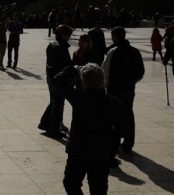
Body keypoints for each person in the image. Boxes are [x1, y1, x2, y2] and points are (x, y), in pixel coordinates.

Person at [59, 64, 122, 194]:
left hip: (78, 152)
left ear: (84, 81)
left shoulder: (79, 98)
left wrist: (73, 68)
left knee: (71, 183)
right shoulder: (112, 102)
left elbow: (58, 80)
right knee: (98, 190)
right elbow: (123, 129)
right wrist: (111, 147)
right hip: (100, 153)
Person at [103, 26, 144, 154]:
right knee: (128, 114)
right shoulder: (135, 52)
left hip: (114, 89)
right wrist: (132, 81)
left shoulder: (113, 51)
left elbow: (105, 69)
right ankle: (128, 142)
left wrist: (106, 83)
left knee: (113, 115)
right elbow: (141, 71)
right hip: (129, 89)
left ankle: (113, 143)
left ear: (115, 36)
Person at [38, 24, 74, 138]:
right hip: (59, 78)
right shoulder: (61, 47)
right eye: (68, 35)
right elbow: (66, 65)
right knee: (58, 103)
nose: (69, 37)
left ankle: (45, 123)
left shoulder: (52, 44)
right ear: (63, 35)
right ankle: (53, 129)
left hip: (51, 77)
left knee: (54, 101)